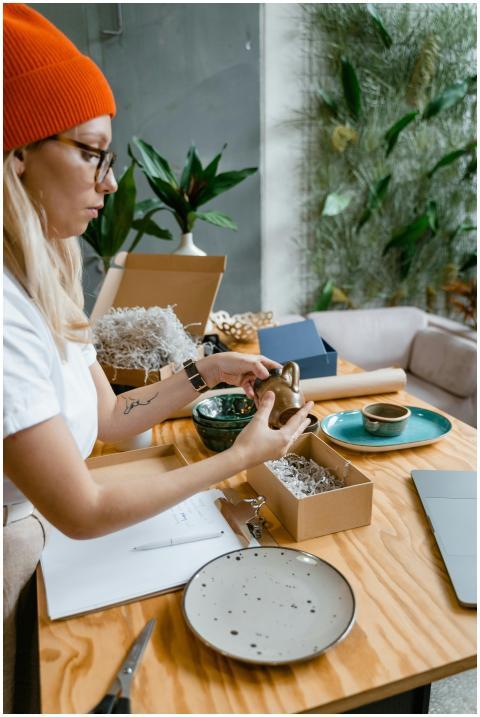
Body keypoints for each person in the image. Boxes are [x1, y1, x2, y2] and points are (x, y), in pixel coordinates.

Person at [3, 5, 313, 713]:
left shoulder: (41, 279)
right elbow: (81, 509)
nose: (110, 182)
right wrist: (240, 457)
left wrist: (201, 374)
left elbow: (110, 416)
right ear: (17, 150)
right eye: (92, 152)